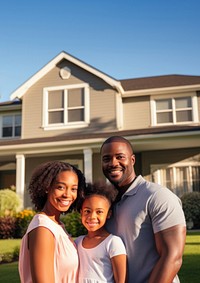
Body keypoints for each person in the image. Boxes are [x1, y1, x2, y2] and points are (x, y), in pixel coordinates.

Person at [100, 136, 186, 283]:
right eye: (107, 159)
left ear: (132, 160)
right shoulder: (106, 204)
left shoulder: (157, 196)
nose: (113, 163)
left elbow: (172, 257)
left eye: (120, 157)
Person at [18, 160, 86, 283]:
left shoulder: (57, 225)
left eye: (73, 189)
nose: (67, 194)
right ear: (47, 187)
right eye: (61, 187)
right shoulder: (43, 229)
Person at [75, 181, 127, 283]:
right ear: (81, 213)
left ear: (108, 214)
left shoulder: (113, 242)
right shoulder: (77, 242)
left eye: (99, 212)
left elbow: (121, 280)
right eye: (87, 211)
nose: (92, 217)